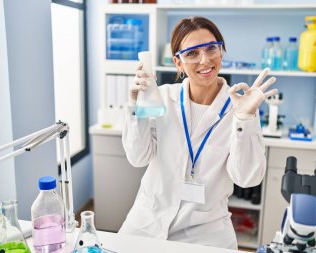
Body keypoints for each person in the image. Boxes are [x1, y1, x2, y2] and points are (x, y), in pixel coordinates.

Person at [119, 16, 278, 250]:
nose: (205, 60)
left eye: (211, 49)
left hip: (205, 231)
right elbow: (138, 157)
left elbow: (247, 178)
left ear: (221, 52)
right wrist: (135, 106)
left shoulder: (239, 107)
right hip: (147, 221)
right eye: (192, 53)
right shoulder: (161, 98)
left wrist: (245, 119)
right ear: (178, 62)